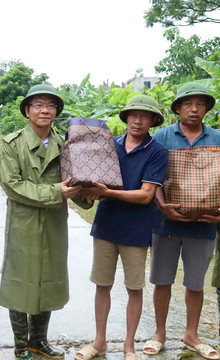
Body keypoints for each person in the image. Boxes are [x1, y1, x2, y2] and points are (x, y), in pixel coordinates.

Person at [0, 84, 88, 360]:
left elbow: (78, 181)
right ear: (27, 111)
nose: (45, 110)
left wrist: (91, 193)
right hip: (23, 225)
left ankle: (39, 341)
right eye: (38, 104)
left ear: (57, 112)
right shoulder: (12, 144)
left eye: (50, 105)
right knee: (20, 282)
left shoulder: (67, 144)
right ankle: (20, 346)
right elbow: (12, 185)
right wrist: (55, 191)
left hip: (54, 223)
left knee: (48, 280)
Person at [75, 95, 169, 360]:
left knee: (134, 288)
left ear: (153, 121)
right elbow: (93, 177)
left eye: (144, 116)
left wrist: (110, 193)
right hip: (105, 225)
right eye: (132, 115)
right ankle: (99, 342)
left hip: (136, 229)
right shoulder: (109, 145)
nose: (137, 120)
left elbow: (146, 195)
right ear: (126, 118)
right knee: (102, 285)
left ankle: (129, 346)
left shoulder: (157, 151)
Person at [144, 82, 220, 360]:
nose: (194, 109)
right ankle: (160, 333)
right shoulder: (162, 136)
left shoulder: (218, 138)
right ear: (177, 108)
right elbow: (151, 174)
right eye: (188, 104)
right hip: (166, 223)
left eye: (200, 104)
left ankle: (191, 334)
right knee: (162, 280)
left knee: (195, 283)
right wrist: (162, 205)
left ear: (206, 109)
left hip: (204, 224)